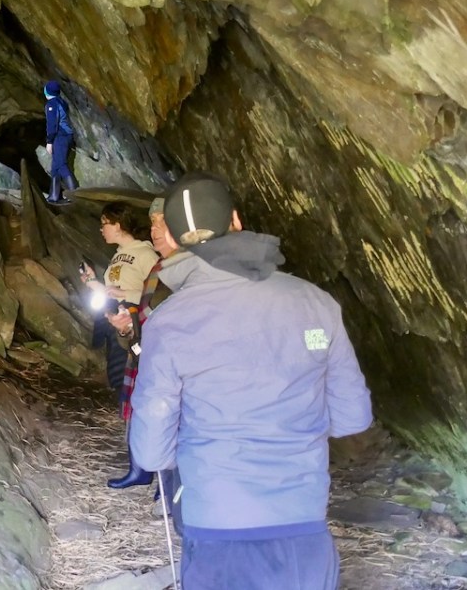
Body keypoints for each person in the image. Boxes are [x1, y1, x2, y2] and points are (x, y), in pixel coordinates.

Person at [130, 172, 373, 590]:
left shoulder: (168, 322)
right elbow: (354, 416)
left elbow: (151, 452)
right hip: (303, 523)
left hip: (217, 525)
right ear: (237, 221)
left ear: (171, 237)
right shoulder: (316, 303)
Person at [103, 197, 179, 491]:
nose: (155, 230)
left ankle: (167, 487)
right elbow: (146, 312)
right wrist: (126, 328)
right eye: (153, 223)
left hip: (172, 359)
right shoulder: (159, 268)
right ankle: (141, 469)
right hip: (145, 348)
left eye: (162, 222)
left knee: (169, 415)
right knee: (140, 406)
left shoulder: (180, 269)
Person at [79, 201, 158, 402]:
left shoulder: (145, 253)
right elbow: (111, 293)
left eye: (104, 223)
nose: (101, 229)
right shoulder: (116, 258)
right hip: (115, 319)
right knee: (117, 371)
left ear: (117, 225)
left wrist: (125, 293)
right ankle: (125, 407)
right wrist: (91, 282)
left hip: (135, 320)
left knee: (134, 369)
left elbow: (158, 293)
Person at [43, 80, 77, 204]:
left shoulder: (51, 104)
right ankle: (54, 196)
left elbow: (52, 124)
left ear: (47, 92)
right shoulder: (62, 102)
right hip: (66, 135)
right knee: (55, 167)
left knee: (61, 164)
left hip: (60, 136)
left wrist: (49, 142)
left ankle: (75, 194)